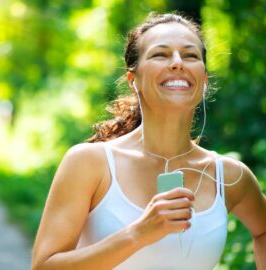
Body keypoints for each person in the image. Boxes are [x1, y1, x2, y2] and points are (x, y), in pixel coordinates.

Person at [31, 13, 266, 270]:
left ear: (204, 81)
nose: (178, 63)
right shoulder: (90, 163)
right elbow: (44, 266)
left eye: (190, 55)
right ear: (134, 81)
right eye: (160, 54)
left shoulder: (229, 177)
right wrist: (138, 233)